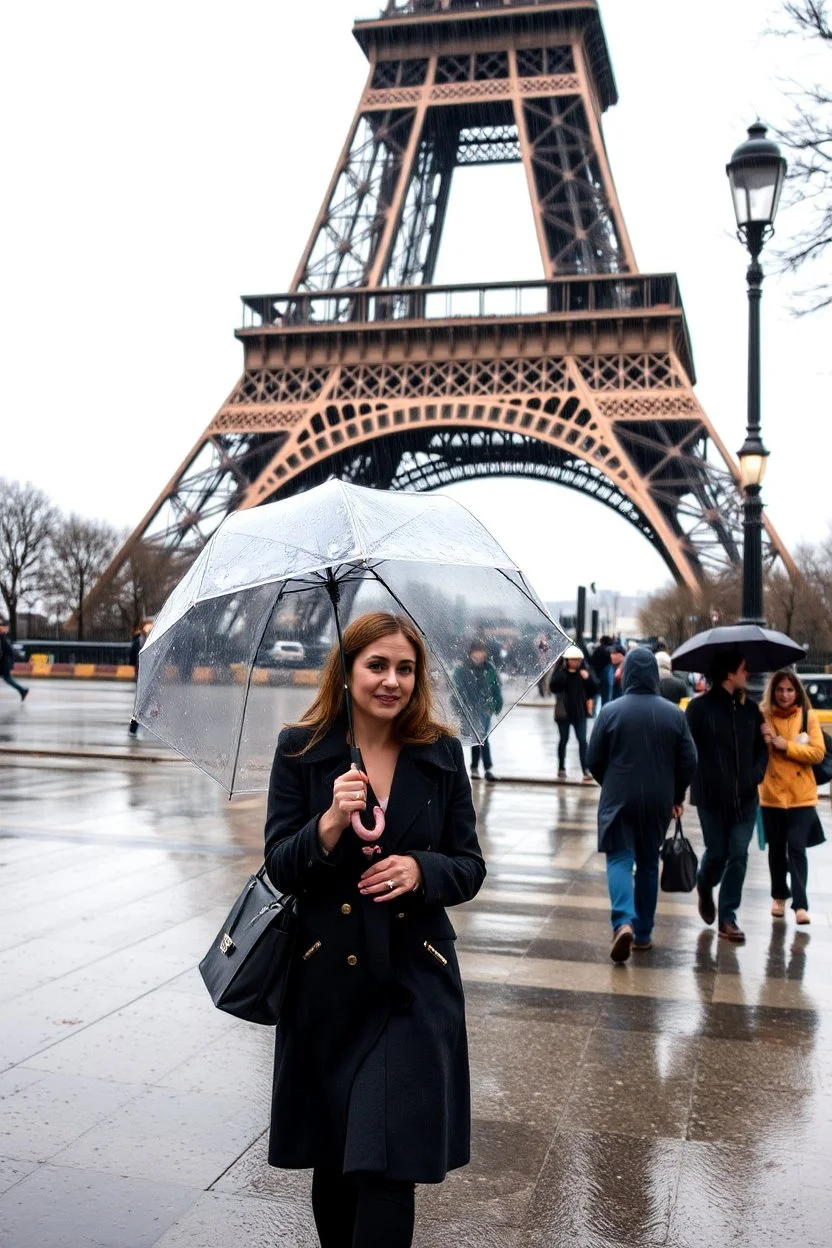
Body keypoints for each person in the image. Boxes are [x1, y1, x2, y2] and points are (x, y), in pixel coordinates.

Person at [263, 611, 486, 1248]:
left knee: (388, 1163)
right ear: (348, 671)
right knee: (335, 1159)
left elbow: (469, 867)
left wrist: (421, 868)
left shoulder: (440, 754)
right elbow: (279, 865)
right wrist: (330, 820)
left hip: (413, 984)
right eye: (377, 666)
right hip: (326, 981)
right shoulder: (301, 750)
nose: (392, 681)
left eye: (406, 669)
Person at [588, 648, 697, 961]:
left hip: (618, 795)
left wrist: (609, 781)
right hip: (658, 799)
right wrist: (676, 795)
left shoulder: (610, 711)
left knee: (620, 858)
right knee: (649, 863)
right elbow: (689, 760)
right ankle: (644, 932)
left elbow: (593, 758)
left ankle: (622, 921)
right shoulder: (674, 714)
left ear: (628, 675)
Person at [685, 648, 768, 943]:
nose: (748, 674)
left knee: (738, 854)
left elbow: (761, 749)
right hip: (711, 797)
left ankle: (728, 917)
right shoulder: (698, 709)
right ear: (730, 673)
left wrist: (756, 774)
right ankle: (704, 886)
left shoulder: (750, 709)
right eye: (744, 669)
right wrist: (681, 789)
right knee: (717, 852)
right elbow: (686, 750)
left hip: (745, 798)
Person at [759, 670, 826, 926]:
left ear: (797, 692)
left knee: (796, 847)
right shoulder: (763, 716)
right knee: (777, 850)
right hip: (773, 795)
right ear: (773, 692)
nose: (785, 695)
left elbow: (818, 753)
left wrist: (786, 746)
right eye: (780, 690)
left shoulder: (808, 717)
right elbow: (757, 752)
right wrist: (764, 737)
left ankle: (800, 905)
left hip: (802, 796)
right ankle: (778, 897)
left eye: (789, 690)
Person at [453, 640, 503, 782]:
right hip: (470, 709)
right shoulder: (462, 669)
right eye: (477, 651)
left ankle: (487, 769)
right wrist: (460, 707)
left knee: (483, 738)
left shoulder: (489, 669)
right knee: (476, 738)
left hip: (485, 709)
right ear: (471, 653)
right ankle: (475, 767)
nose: (480, 654)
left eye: (482, 651)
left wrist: (497, 703)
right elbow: (458, 689)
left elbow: (495, 688)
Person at [549, 645, 597, 782]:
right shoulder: (560, 672)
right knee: (563, 740)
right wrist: (563, 675)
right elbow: (553, 687)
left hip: (580, 712)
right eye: (574, 660)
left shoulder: (584, 672)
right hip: (563, 713)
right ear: (567, 660)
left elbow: (594, 690)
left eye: (579, 660)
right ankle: (561, 767)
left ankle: (585, 769)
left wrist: (588, 678)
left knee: (582, 740)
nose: (577, 662)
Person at [128, 620, 152, 735]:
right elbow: (132, 656)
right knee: (142, 703)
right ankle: (134, 726)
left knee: (146, 702)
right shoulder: (139, 640)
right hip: (142, 675)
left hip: (151, 675)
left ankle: (137, 725)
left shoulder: (152, 639)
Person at [0, 622, 28, 702]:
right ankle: (22, 690)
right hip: (4, 661)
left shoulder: (2, 637)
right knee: (7, 678)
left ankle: (22, 690)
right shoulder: (3, 637)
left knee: (7, 678)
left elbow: (8, 650)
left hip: (3, 662)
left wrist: (11, 661)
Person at [589, 635, 613, 705]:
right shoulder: (608, 651)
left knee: (596, 698)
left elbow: (592, 662)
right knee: (605, 697)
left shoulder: (598, 650)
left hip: (596, 676)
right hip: (605, 677)